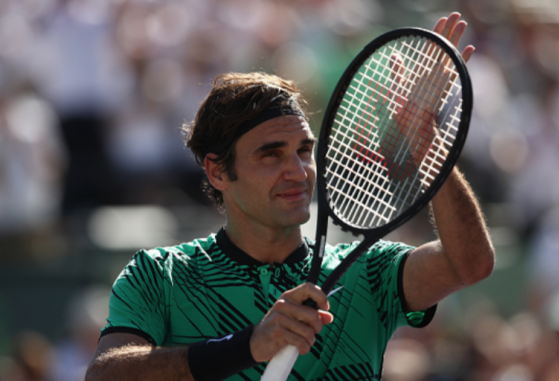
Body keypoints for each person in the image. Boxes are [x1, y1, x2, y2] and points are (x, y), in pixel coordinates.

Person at [85, 12, 494, 381]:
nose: (297, 172)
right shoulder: (159, 275)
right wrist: (246, 346)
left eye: (303, 151)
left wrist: (425, 144)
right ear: (218, 171)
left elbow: (470, 265)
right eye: (271, 154)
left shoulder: (369, 273)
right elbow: (105, 376)